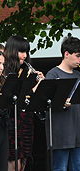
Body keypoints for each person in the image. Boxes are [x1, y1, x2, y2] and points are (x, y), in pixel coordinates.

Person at [3, 35, 44, 171]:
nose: (25, 55)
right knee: (13, 160)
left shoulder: (27, 71)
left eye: (26, 52)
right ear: (12, 51)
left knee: (25, 159)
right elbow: (12, 98)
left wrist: (40, 85)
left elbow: (31, 100)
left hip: (26, 121)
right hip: (11, 122)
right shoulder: (5, 72)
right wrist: (32, 88)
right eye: (21, 51)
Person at [45, 36, 80, 171]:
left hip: (77, 134)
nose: (79, 60)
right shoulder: (52, 75)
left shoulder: (78, 75)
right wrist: (60, 102)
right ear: (66, 54)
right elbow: (46, 104)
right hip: (60, 135)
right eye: (77, 56)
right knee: (60, 168)